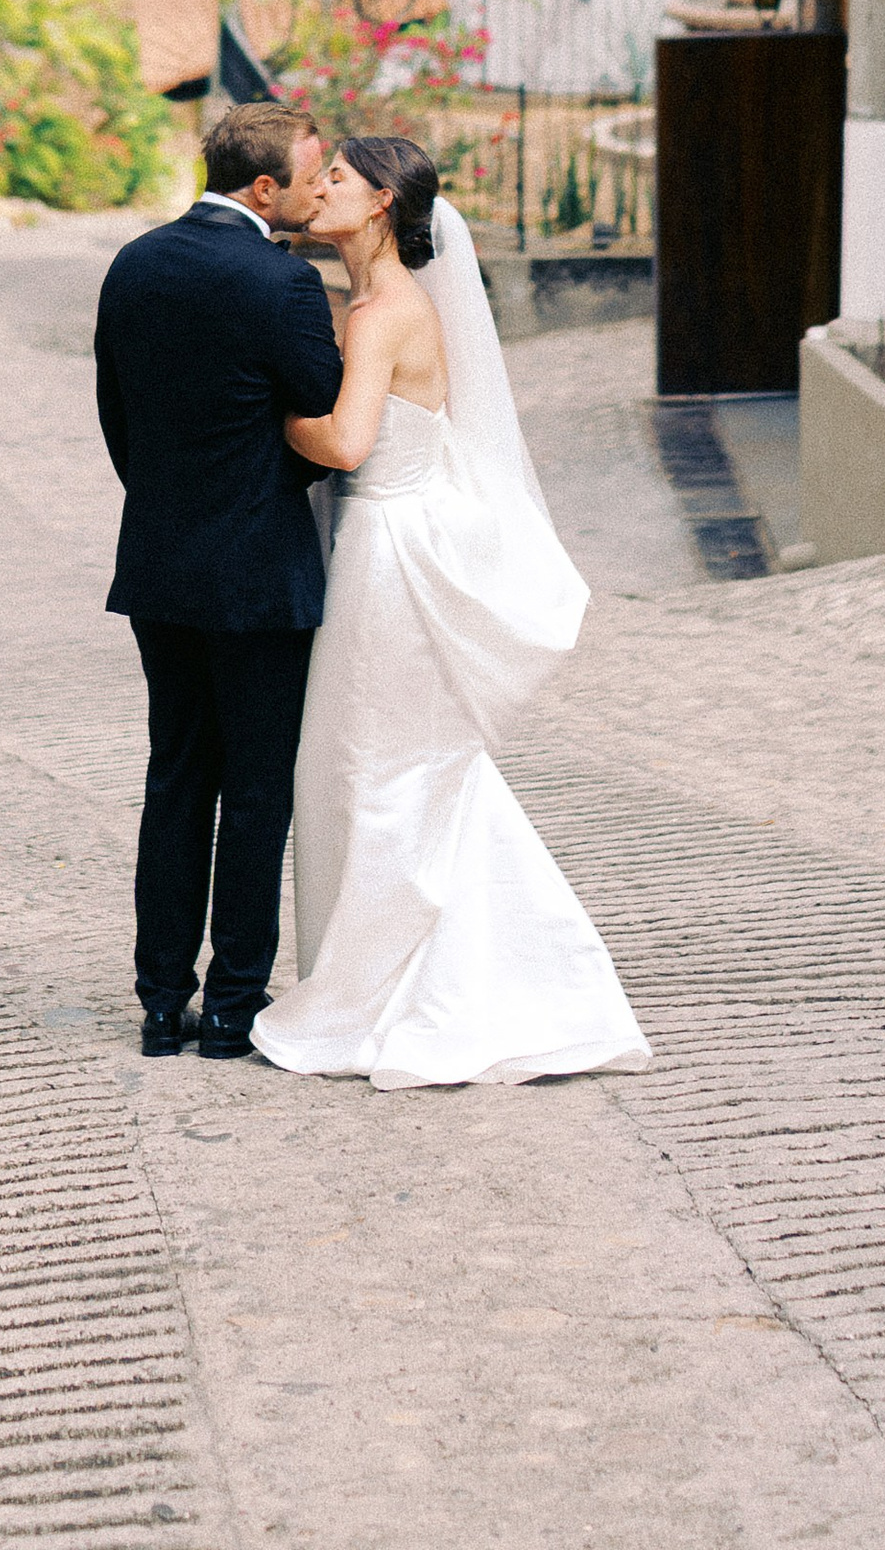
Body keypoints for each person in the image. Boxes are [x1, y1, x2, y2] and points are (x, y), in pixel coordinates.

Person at [253, 132, 648, 1088]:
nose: (320, 189)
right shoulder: (368, 298)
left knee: (384, 769)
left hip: (393, 553)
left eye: (337, 178)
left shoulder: (388, 309)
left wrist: (248, 407)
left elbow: (347, 442)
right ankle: (447, 974)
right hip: (378, 543)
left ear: (384, 200)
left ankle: (388, 991)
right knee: (392, 768)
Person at [93, 99, 342, 1060]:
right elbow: (325, 418)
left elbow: (119, 417)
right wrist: (279, 479)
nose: (323, 188)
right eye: (313, 173)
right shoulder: (281, 283)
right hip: (259, 572)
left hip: (160, 562)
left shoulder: (134, 264)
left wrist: (173, 500)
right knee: (256, 791)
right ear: (265, 185)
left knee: (176, 779)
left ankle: (162, 1005)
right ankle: (233, 1008)